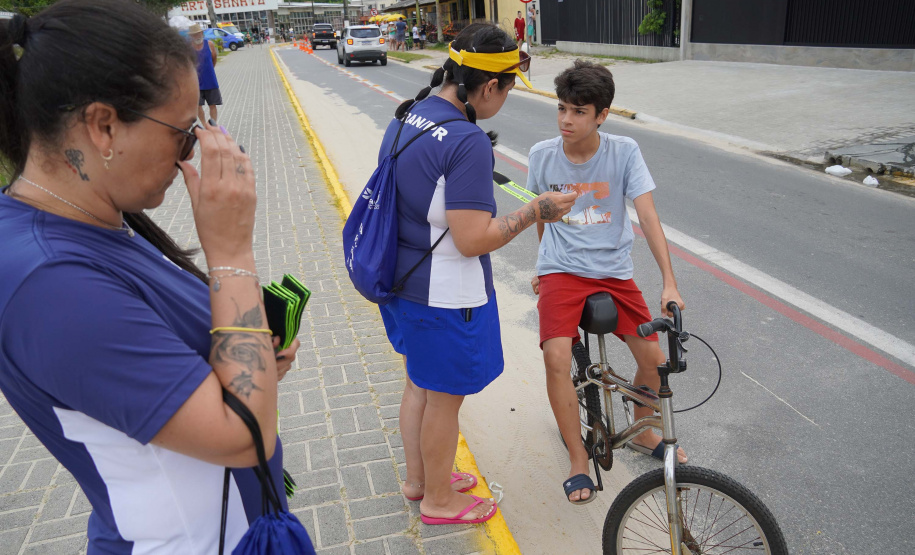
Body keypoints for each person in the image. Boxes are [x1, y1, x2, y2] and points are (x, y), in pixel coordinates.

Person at [0, 1, 309, 551]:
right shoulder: (52, 285)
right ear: (103, 126)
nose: (194, 154)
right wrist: (231, 249)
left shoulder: (94, 222)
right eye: (185, 133)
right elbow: (245, 438)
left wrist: (254, 359)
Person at [373, 23, 576, 525]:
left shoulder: (410, 115)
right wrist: (537, 211)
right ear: (489, 86)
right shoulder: (466, 141)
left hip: (401, 281)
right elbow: (472, 239)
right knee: (444, 398)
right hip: (444, 293)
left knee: (419, 385)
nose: (504, 99)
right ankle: (440, 501)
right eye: (507, 89)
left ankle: (421, 481)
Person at [528, 60, 687, 505]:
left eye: (579, 111)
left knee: (657, 362)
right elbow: (542, 217)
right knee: (557, 357)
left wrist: (668, 282)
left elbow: (649, 216)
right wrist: (543, 268)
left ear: (602, 115)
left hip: (615, 273)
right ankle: (579, 458)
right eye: (561, 108)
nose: (566, 120)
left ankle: (642, 426)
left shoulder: (624, 151)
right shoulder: (542, 155)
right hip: (561, 269)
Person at [188, 24, 222, 124]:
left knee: (213, 104)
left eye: (198, 34)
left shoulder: (209, 44)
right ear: (191, 36)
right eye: (194, 35)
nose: (197, 36)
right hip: (196, 82)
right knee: (198, 105)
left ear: (202, 33)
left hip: (210, 80)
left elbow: (214, 58)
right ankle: (204, 125)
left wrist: (210, 69)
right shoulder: (189, 48)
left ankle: (213, 124)